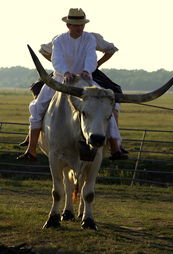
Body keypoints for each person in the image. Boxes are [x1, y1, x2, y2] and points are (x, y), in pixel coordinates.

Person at [17, 8, 128, 161]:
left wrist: (87, 70)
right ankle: (32, 149)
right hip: (60, 79)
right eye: (75, 25)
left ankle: (115, 147)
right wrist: (65, 72)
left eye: (81, 24)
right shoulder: (59, 40)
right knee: (37, 107)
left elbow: (91, 56)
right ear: (68, 25)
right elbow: (57, 59)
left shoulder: (89, 38)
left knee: (106, 103)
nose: (79, 28)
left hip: (85, 80)